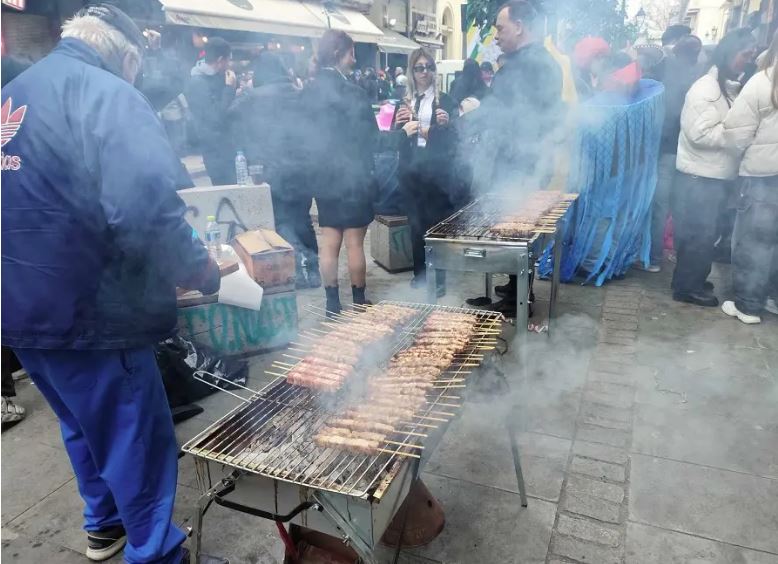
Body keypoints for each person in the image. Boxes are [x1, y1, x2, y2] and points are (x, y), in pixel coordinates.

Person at [1, 5, 221, 563]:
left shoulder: (17, 93)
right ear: (126, 56)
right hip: (93, 310)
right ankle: (156, 554)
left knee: (81, 423)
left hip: (21, 306)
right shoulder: (108, 93)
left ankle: (104, 525)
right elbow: (143, 211)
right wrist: (198, 268)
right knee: (137, 440)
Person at [302, 31, 414, 315]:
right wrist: (402, 133)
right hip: (354, 178)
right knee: (354, 242)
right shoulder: (354, 93)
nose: (355, 59)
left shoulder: (308, 92)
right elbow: (372, 140)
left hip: (324, 178)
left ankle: (331, 305)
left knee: (329, 241)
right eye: (352, 52)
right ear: (339, 53)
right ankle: (359, 301)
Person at [471, 0, 563, 315]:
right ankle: (514, 288)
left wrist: (467, 116)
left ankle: (518, 298)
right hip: (531, 160)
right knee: (517, 228)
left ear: (520, 27)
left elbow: (499, 115)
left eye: (500, 28)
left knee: (516, 229)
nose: (496, 35)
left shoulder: (526, 65)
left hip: (520, 163)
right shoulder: (541, 61)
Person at [672, 28, 757, 307]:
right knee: (698, 236)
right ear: (730, 53)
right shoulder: (705, 89)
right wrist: (737, 134)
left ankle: (693, 279)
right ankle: (687, 287)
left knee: (704, 235)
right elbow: (700, 134)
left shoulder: (723, 86)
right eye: (745, 55)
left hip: (711, 177)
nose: (748, 60)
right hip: (699, 179)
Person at [228, 50, 321, 289]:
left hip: (272, 171)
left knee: (282, 222)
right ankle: (313, 271)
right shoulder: (298, 93)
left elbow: (228, 116)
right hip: (303, 170)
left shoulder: (252, 97)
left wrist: (232, 89)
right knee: (303, 219)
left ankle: (294, 273)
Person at [721, 30, 778, 323]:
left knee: (754, 241)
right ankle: (773, 298)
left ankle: (748, 305)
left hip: (763, 177)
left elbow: (736, 134)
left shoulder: (763, 81)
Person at [394, 48, 460, 289]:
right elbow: (395, 137)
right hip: (411, 171)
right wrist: (399, 125)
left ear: (434, 70)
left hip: (436, 173)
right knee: (415, 224)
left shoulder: (446, 101)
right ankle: (420, 275)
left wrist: (442, 126)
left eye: (429, 67)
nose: (424, 72)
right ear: (412, 71)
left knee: (435, 227)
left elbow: (455, 138)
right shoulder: (404, 101)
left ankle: (438, 279)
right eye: (419, 67)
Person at [643, 34, 703, 273]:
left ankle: (654, 257)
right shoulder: (699, 76)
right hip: (687, 151)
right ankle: (677, 253)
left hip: (664, 149)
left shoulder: (664, 70)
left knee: (659, 205)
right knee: (680, 206)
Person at [184, 36, 237, 186]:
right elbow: (215, 118)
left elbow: (224, 108)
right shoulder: (197, 83)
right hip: (216, 153)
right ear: (220, 60)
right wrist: (229, 89)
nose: (230, 64)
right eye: (229, 60)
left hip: (228, 149)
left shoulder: (217, 77)